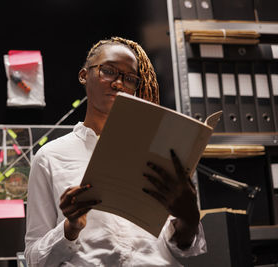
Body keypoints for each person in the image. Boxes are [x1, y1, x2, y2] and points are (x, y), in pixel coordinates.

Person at [24, 37, 206, 266]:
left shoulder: (155, 152)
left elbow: (178, 248)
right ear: (83, 75)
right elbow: (33, 258)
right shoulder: (50, 157)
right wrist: (70, 228)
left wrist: (188, 219)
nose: (118, 83)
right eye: (108, 71)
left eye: (129, 78)